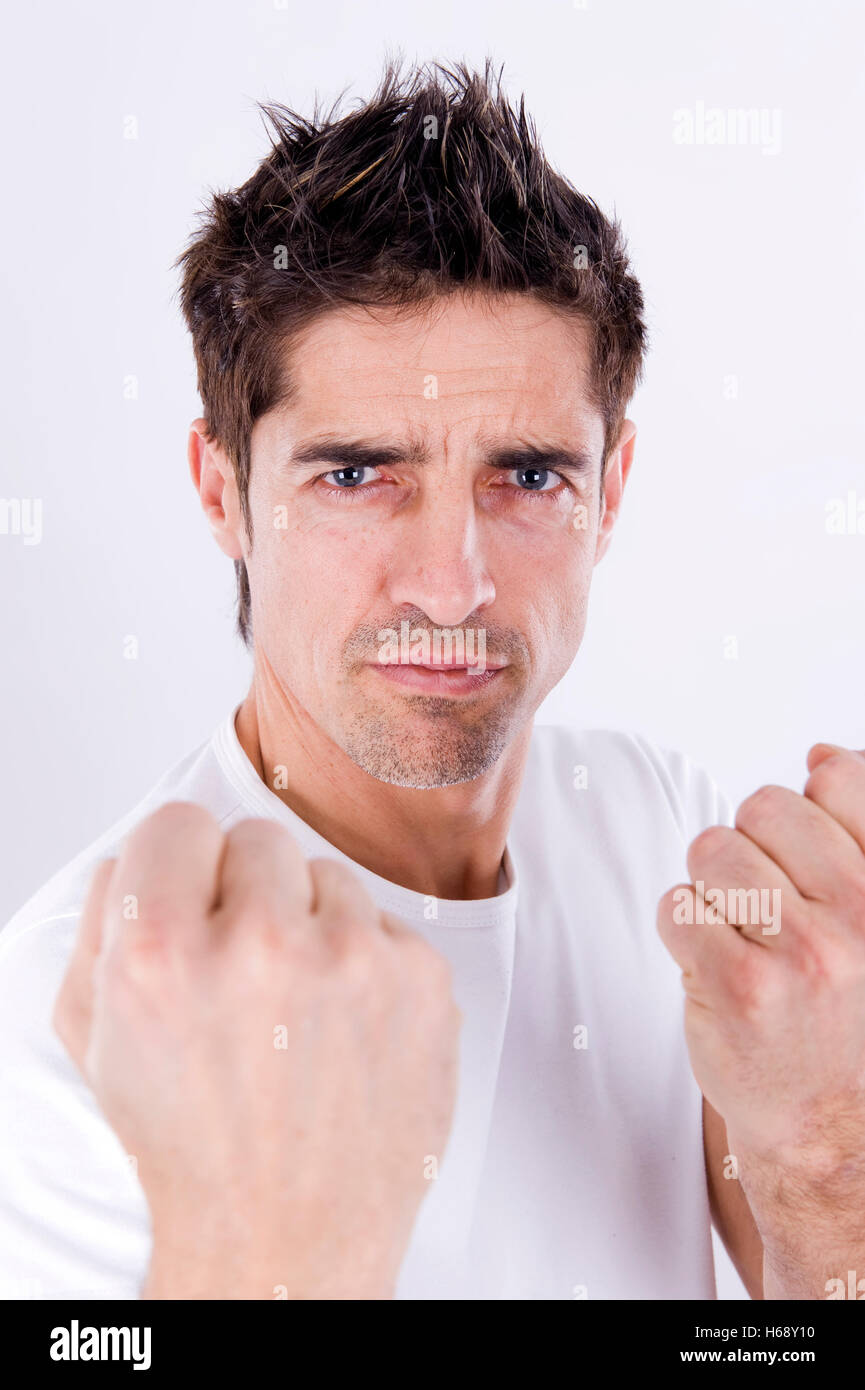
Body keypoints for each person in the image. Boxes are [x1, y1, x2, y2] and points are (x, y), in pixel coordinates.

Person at [2, 58, 864, 1302]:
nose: (450, 586)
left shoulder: (661, 830)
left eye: (526, 477)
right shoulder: (72, 1008)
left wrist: (830, 1155)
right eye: (356, 476)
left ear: (610, 492)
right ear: (220, 491)